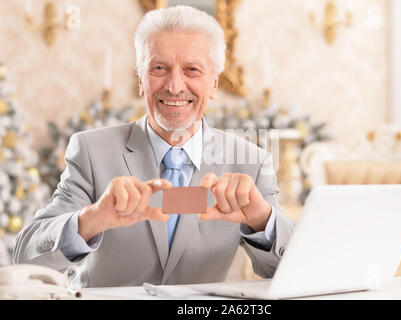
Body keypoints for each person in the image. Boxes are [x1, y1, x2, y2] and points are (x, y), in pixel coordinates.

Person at [13, 5, 295, 287]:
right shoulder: (91, 151)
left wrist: (262, 221)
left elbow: (296, 270)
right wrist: (91, 220)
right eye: (159, 68)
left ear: (213, 85)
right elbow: (26, 257)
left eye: (192, 70)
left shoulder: (250, 162)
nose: (174, 86)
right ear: (140, 81)